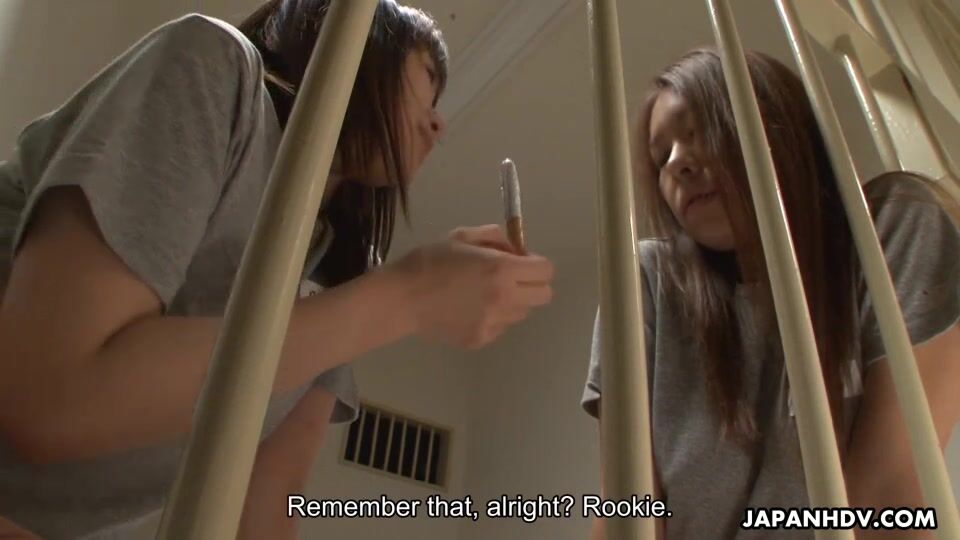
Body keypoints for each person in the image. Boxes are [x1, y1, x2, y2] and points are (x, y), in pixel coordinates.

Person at [0, 1, 555, 538]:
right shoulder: (216, 65)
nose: (437, 123)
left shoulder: (341, 268)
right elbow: (54, 397)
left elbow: (266, 502)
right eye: (427, 80)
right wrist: (409, 297)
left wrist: (390, 297)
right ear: (365, 40)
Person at [582, 48, 960, 540]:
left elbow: (889, 494)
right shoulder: (648, 280)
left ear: (774, 125)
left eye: (701, 131)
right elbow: (625, 508)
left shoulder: (891, 225)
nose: (676, 164)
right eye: (660, 158)